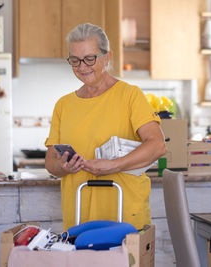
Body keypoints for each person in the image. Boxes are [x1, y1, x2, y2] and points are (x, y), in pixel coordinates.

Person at [45, 23, 166, 231]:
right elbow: (50, 162)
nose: (82, 67)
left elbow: (157, 146)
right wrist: (63, 167)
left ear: (107, 57)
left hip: (124, 215)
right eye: (75, 60)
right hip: (78, 218)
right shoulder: (63, 105)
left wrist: (114, 165)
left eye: (90, 58)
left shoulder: (130, 96)